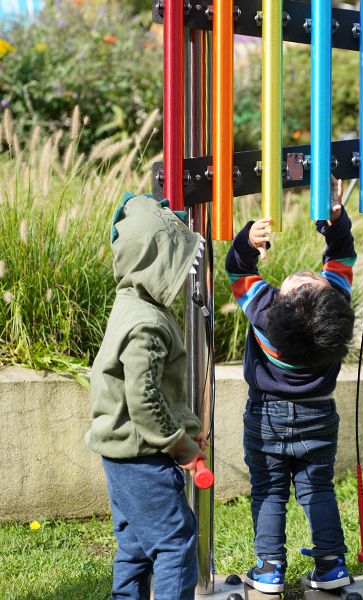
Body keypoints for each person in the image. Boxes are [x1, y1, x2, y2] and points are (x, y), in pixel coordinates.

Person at [225, 179, 356, 593]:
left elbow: (237, 269)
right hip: (319, 416)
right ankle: (331, 565)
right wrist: (333, 223)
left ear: (280, 303)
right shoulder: (333, 316)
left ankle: (268, 569)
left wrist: (248, 240)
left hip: (267, 417)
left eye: (301, 284)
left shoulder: (265, 314)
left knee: (268, 490)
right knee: (317, 488)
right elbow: (342, 255)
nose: (304, 274)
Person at [85, 193, 207, 600]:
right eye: (178, 262)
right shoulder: (147, 325)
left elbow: (150, 391)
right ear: (158, 262)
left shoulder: (130, 302)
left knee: (136, 548)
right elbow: (144, 398)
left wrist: (187, 427)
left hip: (121, 455)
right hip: (141, 459)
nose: (186, 272)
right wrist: (183, 447)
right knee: (176, 542)